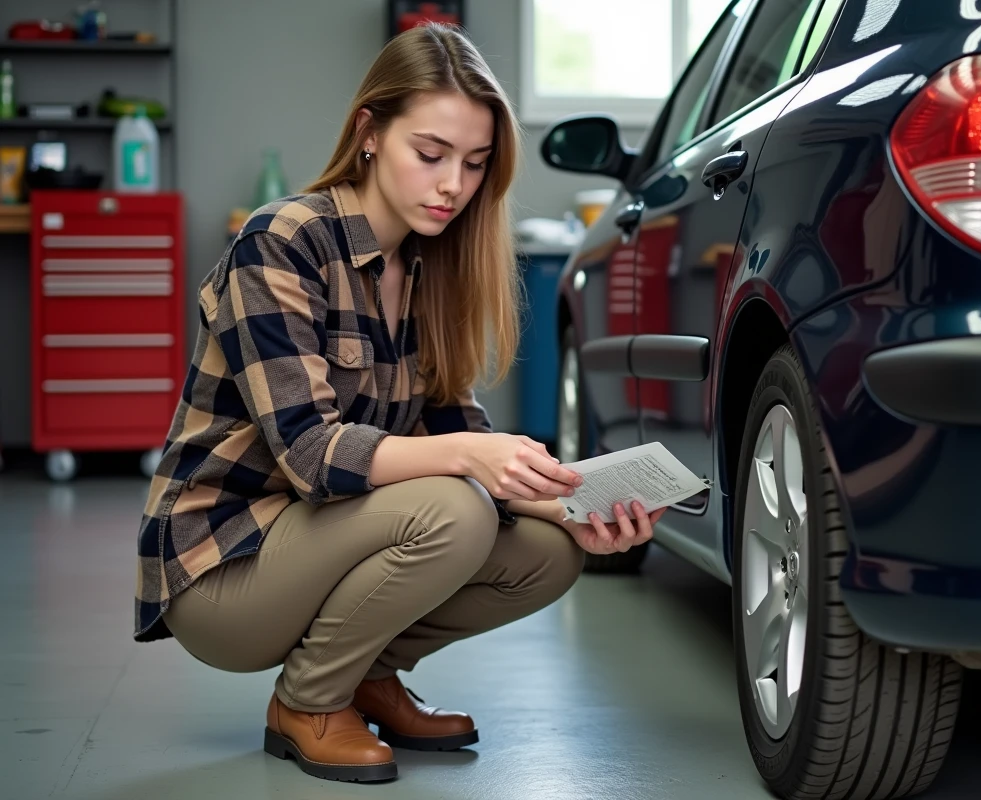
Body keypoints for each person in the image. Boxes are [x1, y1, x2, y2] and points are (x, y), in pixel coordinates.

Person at [132, 23, 664, 784]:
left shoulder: (428, 268)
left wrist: (576, 508)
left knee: (550, 555)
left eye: (475, 163)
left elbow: (456, 429)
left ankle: (365, 677)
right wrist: (470, 457)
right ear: (370, 133)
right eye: (431, 153)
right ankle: (308, 703)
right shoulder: (281, 241)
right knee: (455, 509)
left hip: (321, 540)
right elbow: (312, 456)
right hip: (223, 568)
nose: (454, 185)